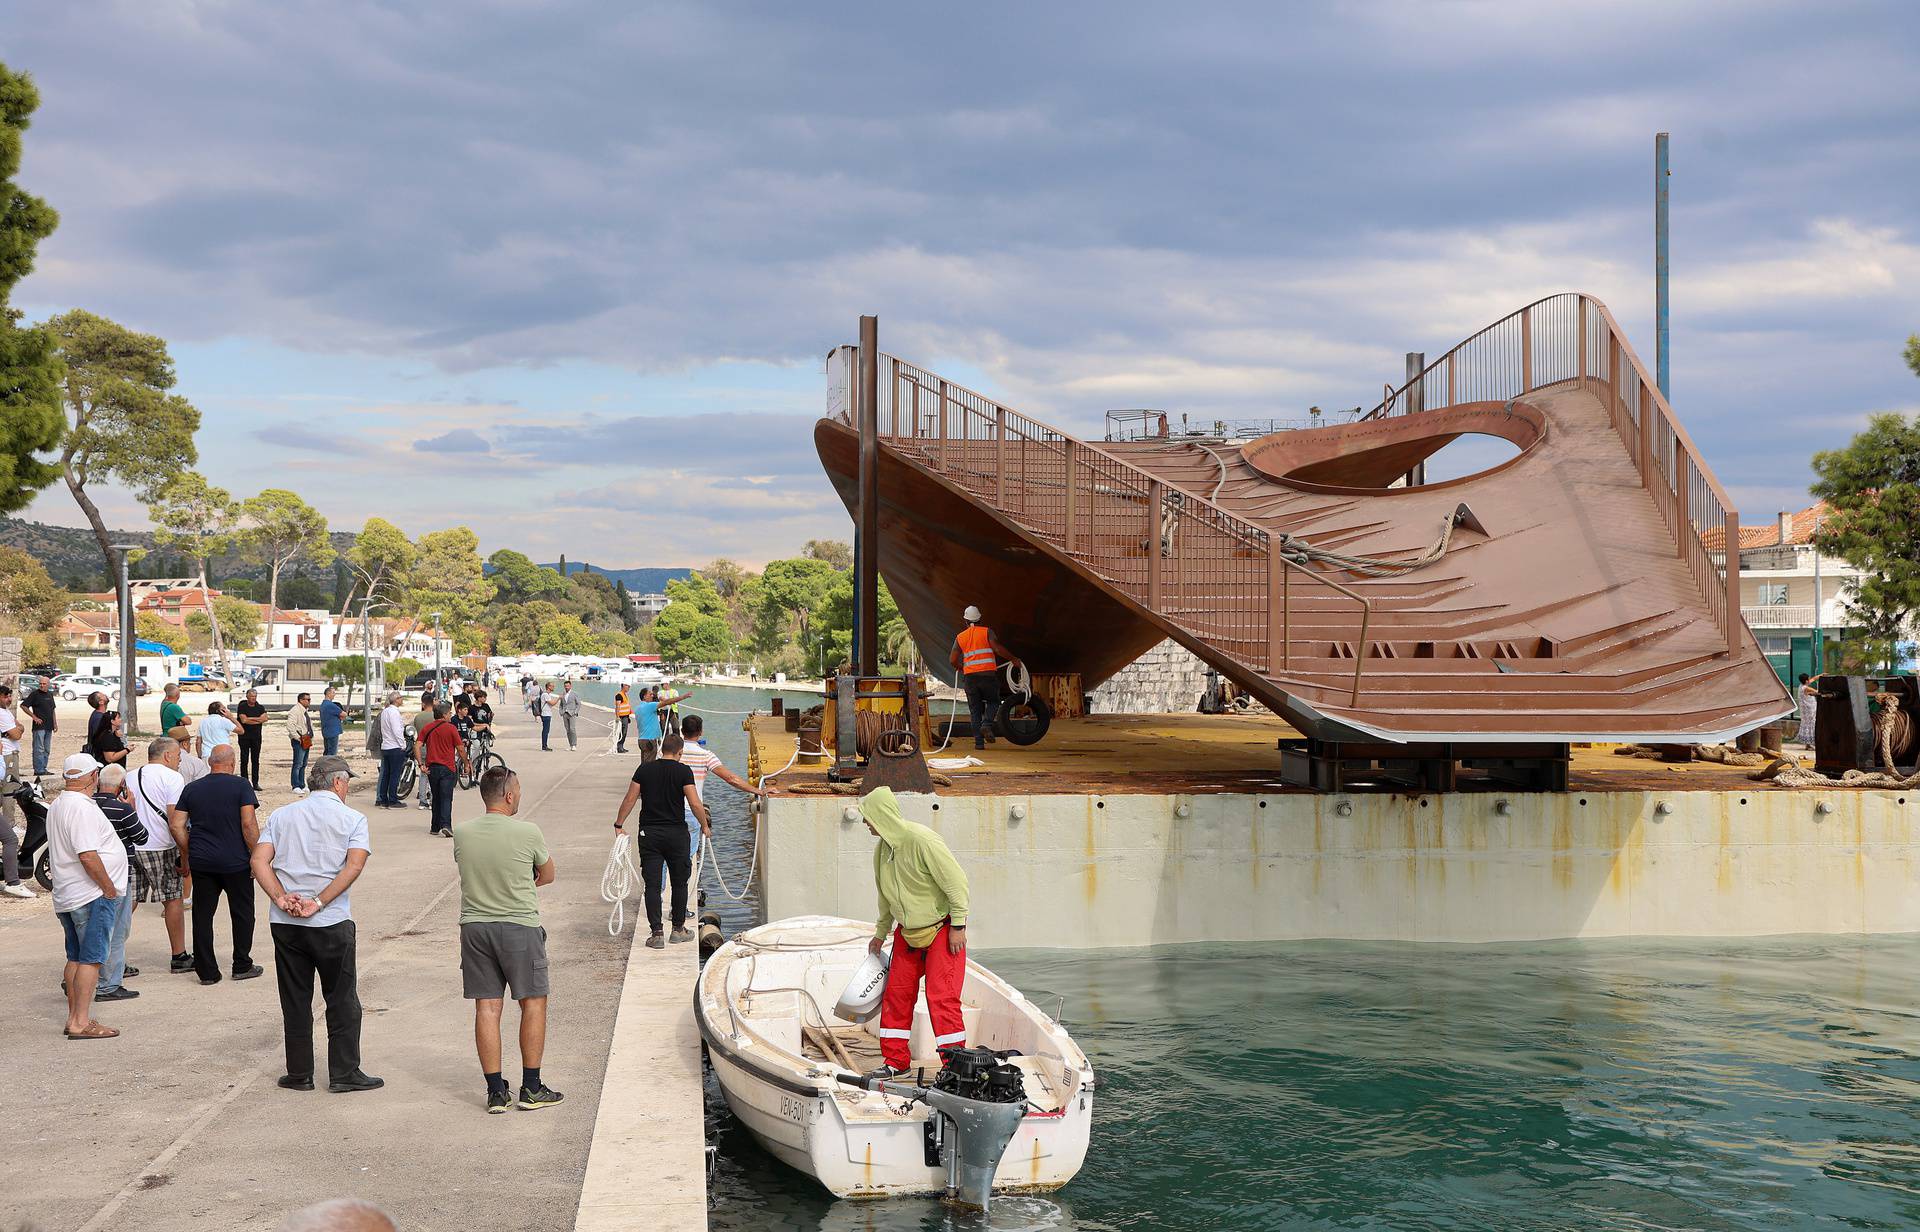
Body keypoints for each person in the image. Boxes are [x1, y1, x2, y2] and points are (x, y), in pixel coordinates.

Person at [252, 754, 382, 1094]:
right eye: (347, 782)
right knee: (341, 997)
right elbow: (353, 866)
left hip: (286, 922)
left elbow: (259, 860)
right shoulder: (352, 819)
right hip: (329, 920)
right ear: (338, 782)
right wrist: (320, 901)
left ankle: (299, 1073)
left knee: (295, 997)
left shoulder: (281, 815)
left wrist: (281, 898)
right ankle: (344, 1072)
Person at [454, 766, 563, 1113]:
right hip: (519, 926)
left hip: (475, 927)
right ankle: (531, 1086)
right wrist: (521, 882)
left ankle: (495, 1092)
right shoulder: (528, 831)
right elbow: (547, 874)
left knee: (487, 1006)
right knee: (532, 1002)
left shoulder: (463, 832)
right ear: (510, 795)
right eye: (519, 790)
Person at [859, 785, 971, 1077]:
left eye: (867, 817)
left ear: (880, 816)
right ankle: (896, 1063)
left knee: (941, 997)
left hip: (942, 930)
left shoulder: (922, 840)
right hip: (907, 933)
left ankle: (955, 1068)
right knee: (897, 995)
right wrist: (880, 933)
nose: (864, 823)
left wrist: (958, 925)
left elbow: (956, 884)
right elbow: (885, 896)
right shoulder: (882, 851)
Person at [168, 744, 264, 985]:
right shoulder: (241, 786)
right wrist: (256, 855)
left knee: (202, 915)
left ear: (210, 763)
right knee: (242, 913)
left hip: (203, 861)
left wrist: (189, 851)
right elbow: (248, 824)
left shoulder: (192, 788)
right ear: (232, 763)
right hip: (236, 861)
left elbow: (176, 825)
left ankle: (207, 971)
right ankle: (242, 964)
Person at [48, 753, 127, 1040]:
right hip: (89, 895)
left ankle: (74, 1018)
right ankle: (80, 1021)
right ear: (92, 777)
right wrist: (108, 887)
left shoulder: (59, 804)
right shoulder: (80, 808)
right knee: (91, 959)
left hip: (70, 893)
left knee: (77, 957)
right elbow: (88, 855)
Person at [612, 733, 710, 949]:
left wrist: (619, 824)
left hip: (650, 834)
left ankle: (656, 933)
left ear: (661, 749)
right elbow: (694, 803)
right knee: (679, 882)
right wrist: (704, 825)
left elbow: (630, 798)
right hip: (676, 834)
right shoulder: (683, 771)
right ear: (680, 752)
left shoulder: (644, 769)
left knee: (653, 885)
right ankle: (678, 929)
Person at [129, 737, 194, 973]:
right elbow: (175, 822)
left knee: (129, 900)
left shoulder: (130, 775)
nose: (179, 761)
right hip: (161, 846)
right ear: (167, 756)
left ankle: (112, 955)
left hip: (133, 846)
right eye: (178, 757)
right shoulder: (173, 778)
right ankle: (179, 955)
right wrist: (185, 854)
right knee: (173, 899)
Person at [90, 763, 148, 1002]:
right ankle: (110, 984)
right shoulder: (122, 809)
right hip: (119, 876)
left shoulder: (88, 806)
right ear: (122, 786)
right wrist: (132, 808)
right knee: (116, 931)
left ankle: (83, 974)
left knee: (92, 928)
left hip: (90, 875)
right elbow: (142, 837)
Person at [676, 714, 762, 865]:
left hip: (669, 810)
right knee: (687, 859)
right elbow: (731, 779)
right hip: (692, 810)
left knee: (666, 858)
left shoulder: (672, 753)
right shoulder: (706, 755)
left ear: (682, 731)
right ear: (701, 732)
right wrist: (758, 791)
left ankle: (660, 888)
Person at [949, 605, 1024, 751]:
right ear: (980, 619)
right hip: (987, 676)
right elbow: (997, 649)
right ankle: (987, 724)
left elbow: (952, 660)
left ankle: (979, 744)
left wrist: (961, 667)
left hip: (970, 678)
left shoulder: (960, 637)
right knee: (994, 702)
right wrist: (1013, 659)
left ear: (965, 620)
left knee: (975, 710)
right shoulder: (987, 632)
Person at [416, 701, 467, 837]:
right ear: (444, 715)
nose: (451, 715)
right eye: (450, 713)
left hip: (432, 768)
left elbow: (417, 745)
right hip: (447, 768)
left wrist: (421, 764)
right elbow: (460, 749)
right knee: (446, 797)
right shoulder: (451, 729)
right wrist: (466, 763)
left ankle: (434, 826)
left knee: (436, 796)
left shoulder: (427, 728)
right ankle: (446, 825)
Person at [0, 684, 28, 898]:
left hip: (9, 755)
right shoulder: (2, 713)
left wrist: (17, 729)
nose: (10, 699)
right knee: (10, 792)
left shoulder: (6, 713)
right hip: (7, 758)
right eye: (7, 696)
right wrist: (16, 730)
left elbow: (19, 729)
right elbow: (16, 733)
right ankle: (8, 824)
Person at [375, 692, 408, 809]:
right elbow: (396, 730)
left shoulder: (385, 711)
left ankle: (383, 798)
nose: (402, 699)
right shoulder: (394, 712)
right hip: (394, 747)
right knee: (395, 774)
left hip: (386, 746)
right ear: (396, 700)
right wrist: (402, 744)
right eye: (400, 697)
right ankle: (393, 799)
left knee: (386, 774)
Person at [235, 688, 269, 788]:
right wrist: (258, 720)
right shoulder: (242, 706)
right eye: (251, 697)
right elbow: (244, 720)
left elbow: (265, 718)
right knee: (244, 759)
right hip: (244, 737)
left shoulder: (260, 707)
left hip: (256, 737)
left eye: (255, 696)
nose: (253, 698)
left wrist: (251, 719)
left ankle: (255, 783)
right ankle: (244, 782)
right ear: (247, 696)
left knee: (255, 760)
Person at [24, 674, 57, 778]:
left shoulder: (50, 695)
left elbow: (52, 710)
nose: (42, 686)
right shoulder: (35, 694)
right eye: (40, 684)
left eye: (44, 684)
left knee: (47, 749)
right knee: (39, 748)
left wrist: (55, 723)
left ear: (48, 684)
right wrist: (34, 717)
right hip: (39, 727)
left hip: (49, 726)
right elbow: (24, 706)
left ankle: (43, 768)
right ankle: (38, 770)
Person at [410, 690, 437, 810]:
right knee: (434, 773)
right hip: (434, 747)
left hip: (421, 747)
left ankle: (422, 801)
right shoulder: (436, 717)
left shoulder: (418, 717)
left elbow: (413, 730)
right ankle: (432, 799)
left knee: (423, 773)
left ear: (423, 704)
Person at [287, 692, 315, 794]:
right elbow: (290, 726)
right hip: (299, 741)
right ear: (301, 700)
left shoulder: (304, 711)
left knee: (303, 764)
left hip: (306, 739)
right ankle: (295, 785)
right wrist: (298, 738)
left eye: (309, 699)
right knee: (297, 763)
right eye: (307, 699)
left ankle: (302, 784)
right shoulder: (295, 711)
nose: (309, 701)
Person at [318, 686, 346, 758]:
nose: (334, 694)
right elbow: (344, 714)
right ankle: (330, 767)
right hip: (333, 732)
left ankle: (324, 766)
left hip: (326, 731)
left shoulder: (323, 704)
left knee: (327, 751)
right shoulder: (330, 705)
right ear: (328, 693)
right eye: (333, 693)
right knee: (332, 753)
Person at [556, 680, 582, 751]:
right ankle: (570, 745)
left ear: (570, 686)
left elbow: (578, 704)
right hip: (565, 713)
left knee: (572, 729)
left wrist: (575, 712)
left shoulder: (574, 694)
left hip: (572, 714)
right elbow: (561, 704)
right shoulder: (563, 694)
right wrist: (561, 712)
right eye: (565, 686)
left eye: (568, 686)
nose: (566, 687)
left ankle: (574, 744)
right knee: (567, 730)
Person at [1798, 673, 1820, 750]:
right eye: (1808, 678)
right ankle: (1810, 744)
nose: (1810, 679)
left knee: (1807, 724)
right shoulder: (1806, 688)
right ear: (1806, 681)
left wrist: (1821, 675)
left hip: (1805, 710)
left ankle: (1808, 744)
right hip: (1809, 710)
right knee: (1811, 724)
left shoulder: (1801, 686)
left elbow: (1813, 679)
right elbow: (1818, 691)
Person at [536, 681, 559, 751]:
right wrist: (559, 698)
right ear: (549, 687)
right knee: (546, 730)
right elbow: (552, 703)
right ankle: (544, 746)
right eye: (552, 686)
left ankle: (544, 745)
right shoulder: (545, 695)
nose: (553, 687)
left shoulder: (547, 694)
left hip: (547, 714)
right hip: (545, 714)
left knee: (546, 730)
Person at [613, 686, 632, 753]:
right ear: (623, 686)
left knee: (624, 732)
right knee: (622, 732)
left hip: (626, 716)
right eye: (628, 687)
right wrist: (617, 717)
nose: (629, 688)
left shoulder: (624, 695)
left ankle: (621, 746)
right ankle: (619, 747)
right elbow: (617, 706)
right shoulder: (619, 695)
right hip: (622, 717)